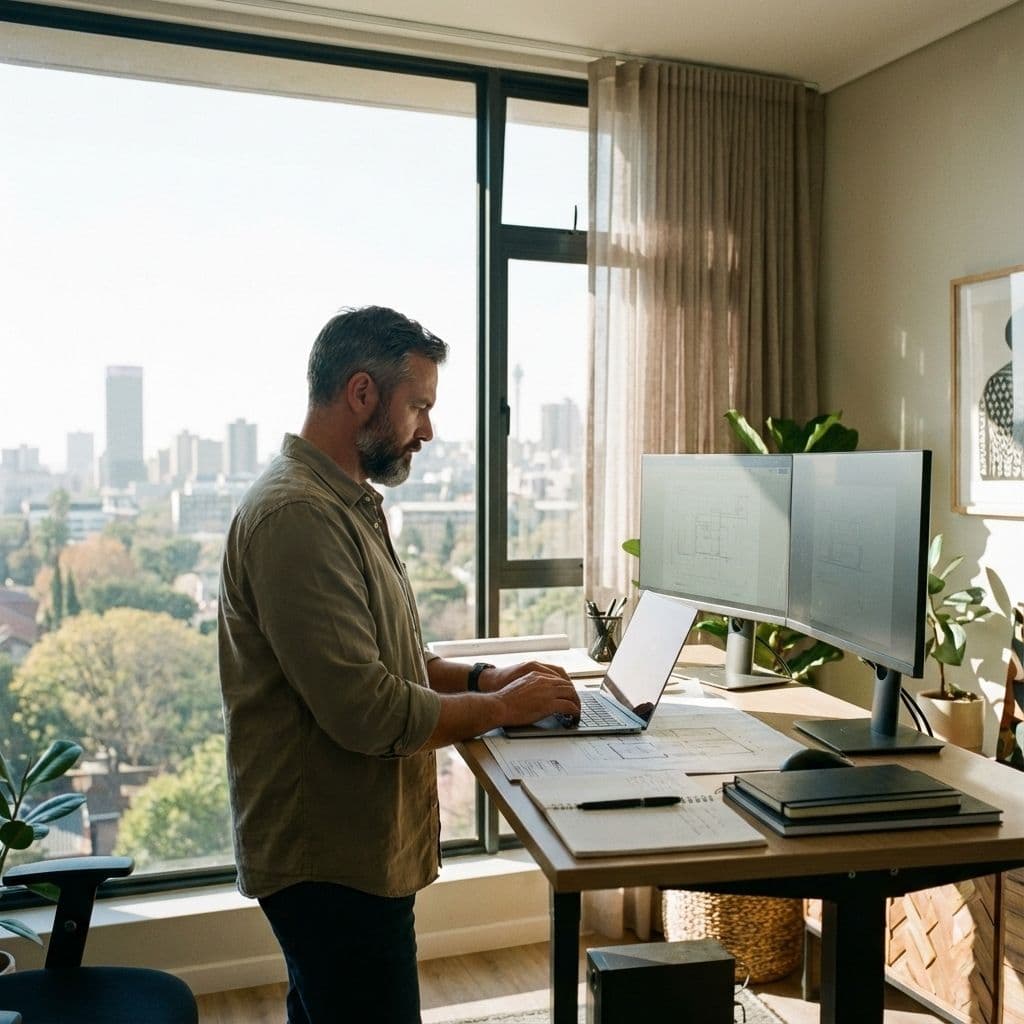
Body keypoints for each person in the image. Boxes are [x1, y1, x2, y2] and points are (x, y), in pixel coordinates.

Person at [217, 305, 581, 1024]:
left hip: (355, 850)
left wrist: (487, 681)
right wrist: (506, 711)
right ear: (361, 395)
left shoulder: (346, 502)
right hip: (330, 861)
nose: (428, 430)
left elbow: (395, 660)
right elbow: (369, 710)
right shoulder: (298, 518)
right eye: (418, 406)